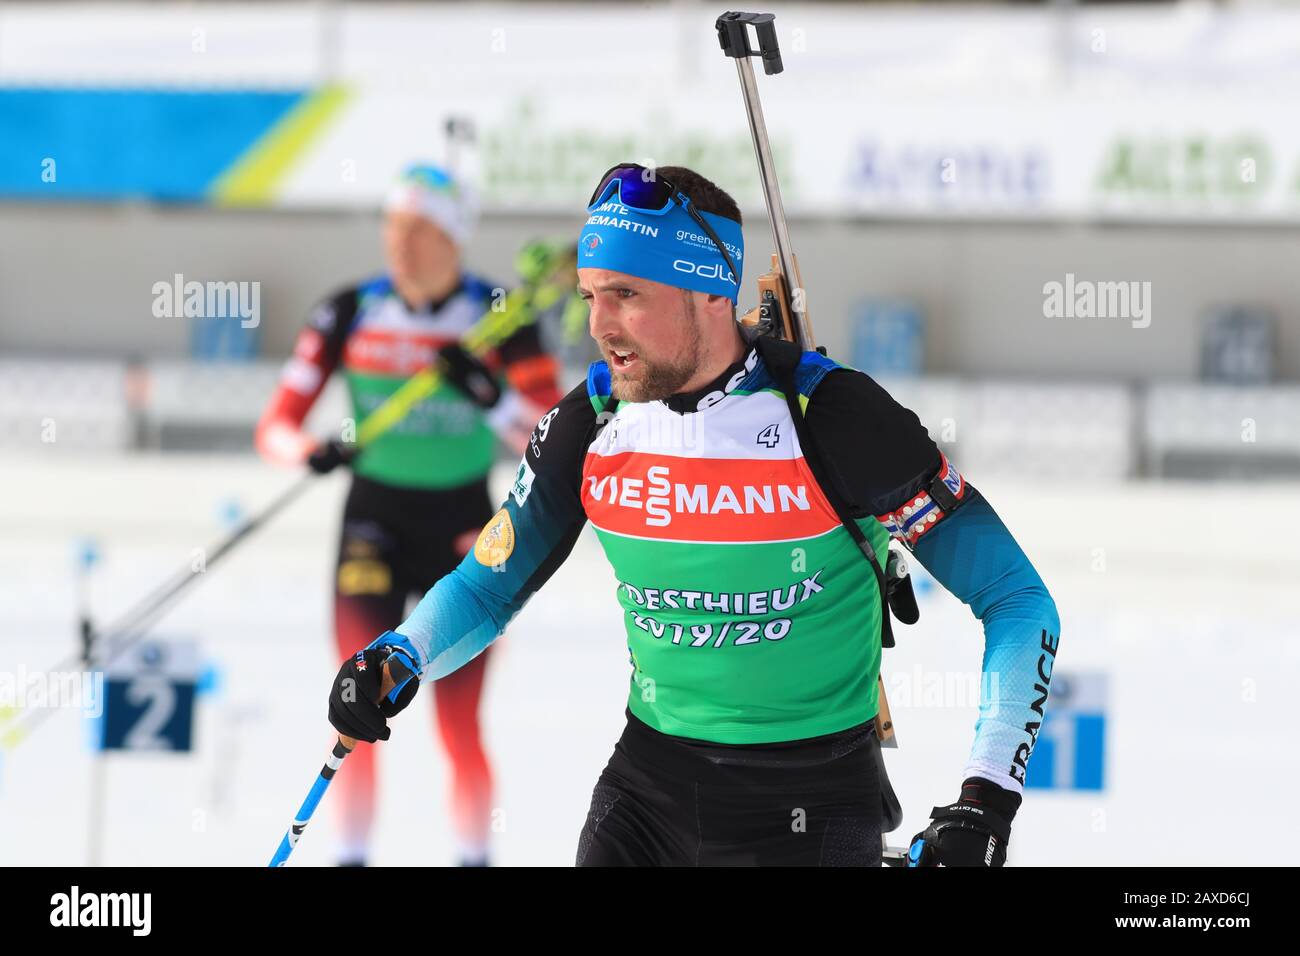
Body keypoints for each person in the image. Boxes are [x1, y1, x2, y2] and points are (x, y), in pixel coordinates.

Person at [326, 163, 1061, 867]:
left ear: (710, 293)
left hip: (815, 803)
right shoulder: (589, 424)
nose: (600, 326)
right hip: (647, 798)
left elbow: (1018, 601)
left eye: (627, 296)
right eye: (589, 297)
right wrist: (400, 653)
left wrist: (985, 800)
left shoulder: (833, 416)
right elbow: (486, 586)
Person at [257, 164, 563, 866]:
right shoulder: (348, 309)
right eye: (393, 226)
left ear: (454, 238)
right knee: (356, 708)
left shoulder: (501, 313)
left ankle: (471, 855)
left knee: (459, 727)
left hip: (465, 531)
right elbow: (274, 426)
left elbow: (552, 440)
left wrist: (491, 399)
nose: (401, 244)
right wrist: (311, 451)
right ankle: (352, 854)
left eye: (420, 230)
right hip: (371, 524)